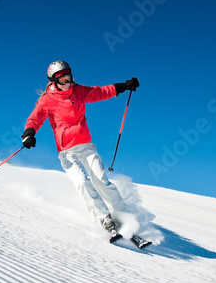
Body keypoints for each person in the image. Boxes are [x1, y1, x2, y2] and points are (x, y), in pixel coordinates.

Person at [21, 60, 139, 234]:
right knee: (82, 183)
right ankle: (103, 218)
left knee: (101, 181)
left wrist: (124, 86)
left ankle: (124, 213)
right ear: (54, 81)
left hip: (86, 145)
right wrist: (29, 133)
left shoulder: (79, 92)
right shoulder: (47, 101)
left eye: (68, 77)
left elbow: (100, 92)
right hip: (66, 152)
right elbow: (35, 118)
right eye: (62, 80)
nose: (67, 82)